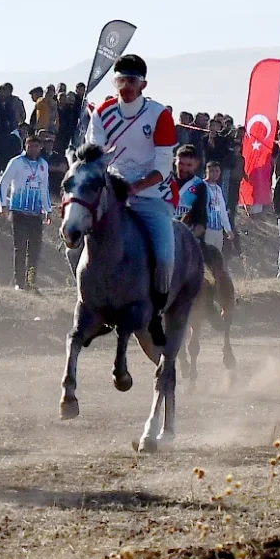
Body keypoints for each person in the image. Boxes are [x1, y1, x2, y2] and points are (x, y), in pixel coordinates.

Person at [89, 53, 178, 344]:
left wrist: (135, 187)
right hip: (113, 196)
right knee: (74, 244)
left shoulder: (159, 114)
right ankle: (92, 305)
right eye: (120, 81)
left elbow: (163, 166)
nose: (125, 87)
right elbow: (95, 154)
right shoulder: (102, 112)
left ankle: (156, 314)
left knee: (164, 257)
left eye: (131, 81)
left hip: (151, 196)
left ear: (143, 84)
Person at [0, 130, 52, 291]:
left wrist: (48, 209)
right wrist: (3, 204)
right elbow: (3, 183)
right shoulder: (17, 162)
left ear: (41, 147)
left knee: (35, 249)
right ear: (25, 146)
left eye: (36, 146)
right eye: (30, 146)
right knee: (20, 247)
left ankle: (31, 281)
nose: (33, 149)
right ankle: (19, 282)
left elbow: (44, 188)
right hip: (18, 211)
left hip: (36, 212)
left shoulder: (43, 165)